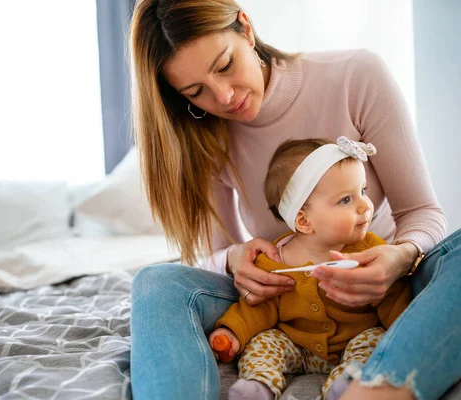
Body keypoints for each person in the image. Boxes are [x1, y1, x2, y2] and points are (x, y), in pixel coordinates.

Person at [128, 1, 460, 399]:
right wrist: (236, 259)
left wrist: (400, 257)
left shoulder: (356, 75)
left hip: (390, 285)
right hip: (283, 295)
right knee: (155, 284)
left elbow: (421, 211)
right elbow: (215, 255)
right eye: (196, 92)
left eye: (225, 65)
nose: (224, 96)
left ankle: (373, 392)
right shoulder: (202, 133)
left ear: (246, 29)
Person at [208, 137, 411, 400]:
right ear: (304, 221)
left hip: (354, 340)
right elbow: (258, 307)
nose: (365, 205)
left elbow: (394, 299)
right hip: (297, 345)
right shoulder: (276, 259)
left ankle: (347, 386)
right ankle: (258, 386)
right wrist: (232, 331)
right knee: (264, 343)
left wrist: (410, 333)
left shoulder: (370, 250)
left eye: (363, 191)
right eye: (346, 200)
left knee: (374, 342)